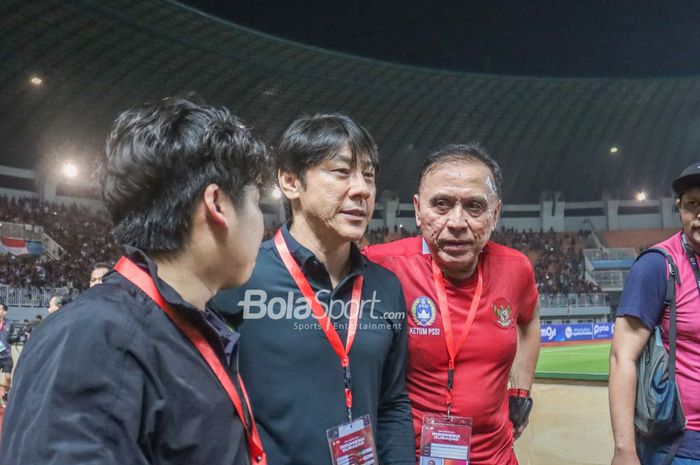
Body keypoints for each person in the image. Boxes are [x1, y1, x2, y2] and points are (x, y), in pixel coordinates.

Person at [0, 96, 270, 465]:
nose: (263, 224)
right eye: (256, 201)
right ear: (218, 204)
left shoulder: (178, 326)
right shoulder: (95, 339)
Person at [210, 113, 415, 465]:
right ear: (291, 182)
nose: (362, 189)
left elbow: (392, 402)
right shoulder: (238, 279)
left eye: (368, 175)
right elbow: (210, 406)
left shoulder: (386, 287)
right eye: (341, 172)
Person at [364, 144, 541, 465]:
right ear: (418, 210)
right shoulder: (381, 264)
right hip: (412, 455)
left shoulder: (516, 268)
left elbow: (529, 320)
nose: (457, 221)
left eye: (474, 206)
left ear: (495, 214)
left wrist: (520, 391)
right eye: (441, 205)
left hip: (497, 456)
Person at [610, 162, 700, 465]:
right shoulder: (657, 265)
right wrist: (624, 450)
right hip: (679, 444)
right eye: (692, 205)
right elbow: (623, 356)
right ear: (680, 209)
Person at [0, 303, 12, 406]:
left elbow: (12, 338)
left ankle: (5, 395)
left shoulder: (9, 323)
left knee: (8, 378)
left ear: (4, 312)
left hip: (7, 356)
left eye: (0, 309)